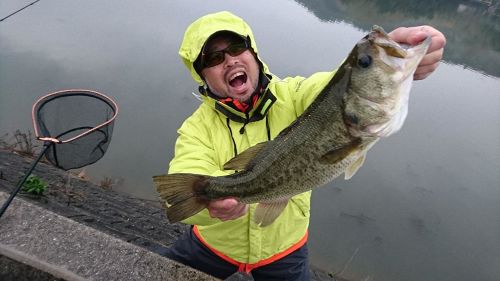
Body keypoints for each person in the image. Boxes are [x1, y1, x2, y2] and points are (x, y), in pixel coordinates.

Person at [162, 11, 446, 280]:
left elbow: (331, 88)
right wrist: (210, 207)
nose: (230, 60)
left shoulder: (295, 95)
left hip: (284, 250)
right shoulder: (196, 127)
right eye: (213, 57)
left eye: (237, 46)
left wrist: (399, 49)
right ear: (202, 74)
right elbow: (181, 184)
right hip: (213, 245)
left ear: (253, 52)